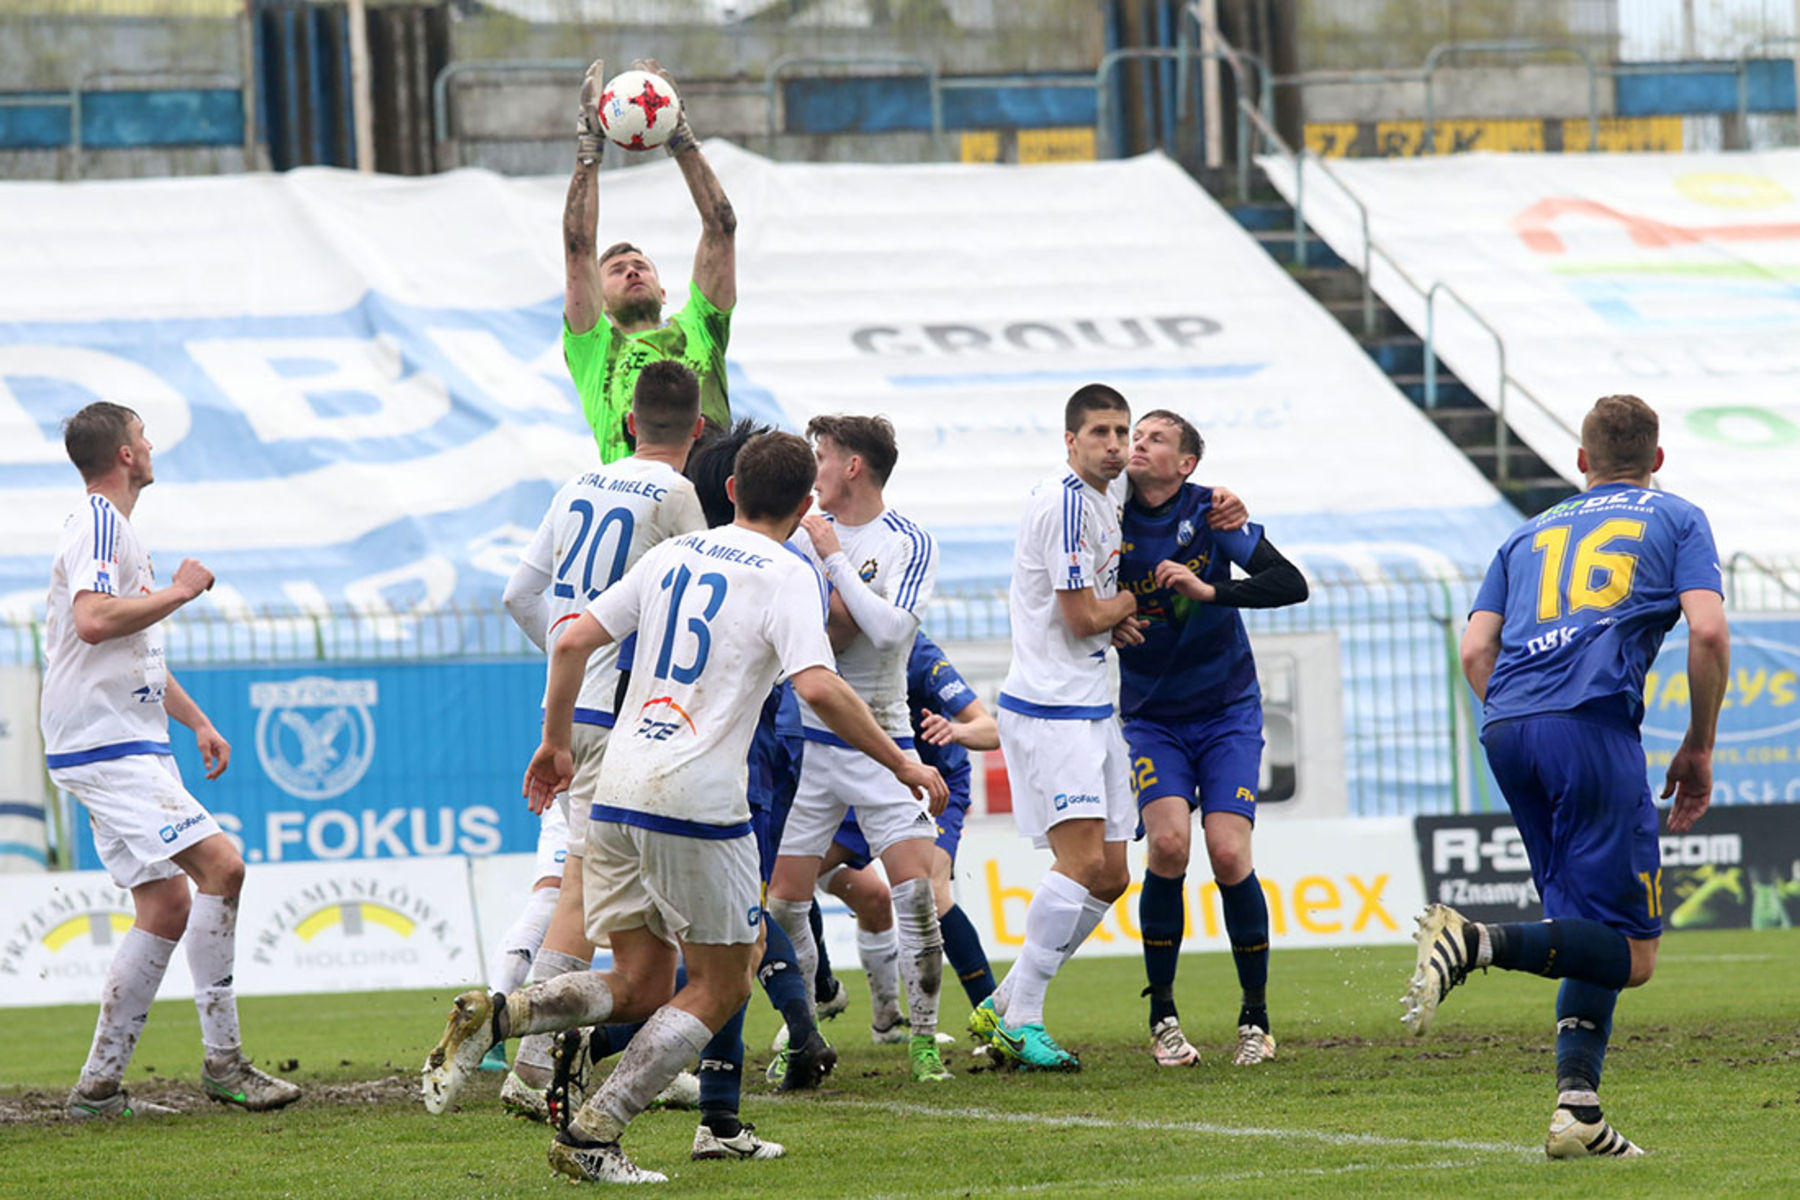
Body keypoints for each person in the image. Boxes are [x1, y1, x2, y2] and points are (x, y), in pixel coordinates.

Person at [423, 431, 946, 1185]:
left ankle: (500, 1014)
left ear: (728, 489)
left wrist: (555, 745)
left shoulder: (672, 556)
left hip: (615, 792)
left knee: (640, 980)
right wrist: (901, 760)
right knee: (727, 979)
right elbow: (821, 688)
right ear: (805, 508)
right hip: (697, 801)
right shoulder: (788, 572)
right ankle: (594, 1130)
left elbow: (568, 640)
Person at [1408, 394, 1729, 1159]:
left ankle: (1577, 1114)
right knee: (1634, 955)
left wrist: (1525, 716)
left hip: (1509, 729)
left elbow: (1473, 653)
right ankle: (1473, 941)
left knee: (1583, 933)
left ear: (1581, 462)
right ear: (1656, 460)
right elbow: (1709, 630)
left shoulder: (1524, 536)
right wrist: (1699, 746)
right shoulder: (1677, 517)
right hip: (1589, 728)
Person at [42, 401, 299, 1119]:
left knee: (166, 903)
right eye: (143, 436)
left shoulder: (115, 529)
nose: (150, 445)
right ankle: (226, 1064)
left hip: (121, 738)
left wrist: (197, 722)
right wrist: (180, 592)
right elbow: (95, 621)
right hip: (104, 742)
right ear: (125, 455)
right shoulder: (98, 521)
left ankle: (98, 1090)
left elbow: (131, 646)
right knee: (224, 867)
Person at [494, 360, 707, 1117]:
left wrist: (568, 651)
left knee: (620, 885)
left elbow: (521, 593)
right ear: (700, 428)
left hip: (575, 704)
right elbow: (697, 605)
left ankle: (620, 1053)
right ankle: (531, 1060)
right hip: (627, 716)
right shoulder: (679, 496)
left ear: (627, 423)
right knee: (604, 886)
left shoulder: (578, 484)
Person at [1114, 410, 1307, 1069]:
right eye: (1135, 435)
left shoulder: (1212, 513)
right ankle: (1162, 1015)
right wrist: (1102, 624)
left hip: (1226, 710)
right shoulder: (1102, 512)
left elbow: (1290, 583)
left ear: (1186, 463)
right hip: (1151, 716)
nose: (1139, 443)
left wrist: (1209, 588)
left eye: (1156, 438)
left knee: (1228, 854)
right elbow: (1067, 596)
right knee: (1169, 845)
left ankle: (1255, 1020)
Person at [767, 415, 954, 1084]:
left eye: (821, 455)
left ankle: (924, 1040)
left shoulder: (904, 539)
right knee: (784, 902)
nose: (812, 468)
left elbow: (887, 629)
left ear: (851, 466)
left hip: (883, 740)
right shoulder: (793, 539)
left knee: (915, 896)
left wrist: (834, 559)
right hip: (814, 748)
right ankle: (802, 1037)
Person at [971, 384, 1142, 1071]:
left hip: (1090, 706)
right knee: (1078, 864)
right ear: (1069, 441)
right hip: (1051, 709)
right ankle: (1025, 1019)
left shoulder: (1107, 495)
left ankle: (1004, 1003)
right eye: (1099, 431)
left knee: (1111, 876)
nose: (1114, 444)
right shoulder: (1069, 501)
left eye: (1121, 432)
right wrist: (1133, 599)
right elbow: (1080, 617)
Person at [804, 632, 1003, 1030]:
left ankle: (997, 1022)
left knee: (930, 890)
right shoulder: (814, 647)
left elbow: (990, 728)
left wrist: (956, 731)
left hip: (931, 785)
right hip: (855, 782)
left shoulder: (915, 651)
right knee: (781, 881)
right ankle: (820, 993)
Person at [564, 57, 735, 464]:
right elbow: (579, 248)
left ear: (662, 291)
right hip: (638, 506)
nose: (631, 269)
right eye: (616, 270)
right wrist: (589, 153)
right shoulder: (595, 347)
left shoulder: (701, 326)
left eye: (640, 265)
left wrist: (683, 142)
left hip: (711, 506)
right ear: (599, 302)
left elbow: (721, 228)